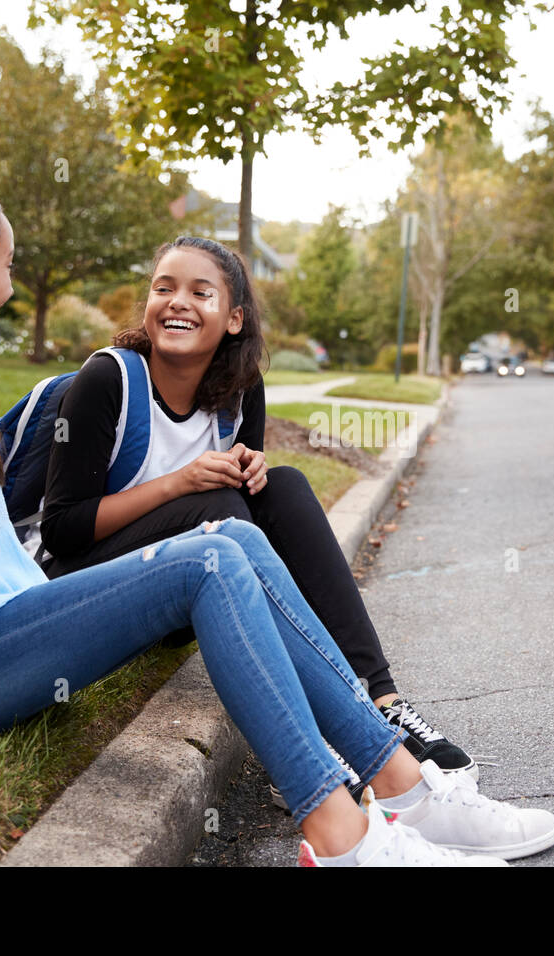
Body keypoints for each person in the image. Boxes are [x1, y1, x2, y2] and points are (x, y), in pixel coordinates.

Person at [0, 172, 554, 866]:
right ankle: (340, 836)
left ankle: (405, 791)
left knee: (231, 536)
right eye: (4, 266)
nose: (11, 287)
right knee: (211, 557)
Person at [39, 236, 477, 805]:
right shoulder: (110, 381)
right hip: (86, 587)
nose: (177, 302)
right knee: (215, 507)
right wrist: (181, 481)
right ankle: (316, 734)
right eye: (163, 288)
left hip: (194, 587)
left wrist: (252, 469)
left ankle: (382, 700)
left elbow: (246, 503)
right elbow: (61, 532)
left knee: (285, 486)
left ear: (234, 319)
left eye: (201, 292)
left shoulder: (240, 390)